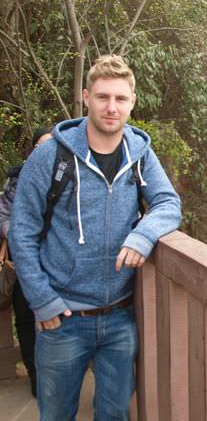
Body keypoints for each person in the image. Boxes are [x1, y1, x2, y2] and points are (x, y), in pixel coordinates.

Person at [9, 54, 181, 420]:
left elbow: (168, 202)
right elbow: (22, 229)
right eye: (103, 97)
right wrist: (42, 300)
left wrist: (143, 234)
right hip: (62, 318)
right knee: (56, 415)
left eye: (120, 99)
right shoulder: (51, 156)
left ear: (132, 102)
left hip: (120, 318)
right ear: (86, 97)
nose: (111, 107)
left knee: (115, 414)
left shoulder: (139, 152)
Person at [0, 126, 53, 396]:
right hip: (24, 261)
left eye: (50, 145)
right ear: (31, 150)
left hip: (57, 262)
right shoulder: (18, 177)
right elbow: (4, 215)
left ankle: (54, 375)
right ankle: (34, 374)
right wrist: (18, 235)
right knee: (25, 318)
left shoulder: (67, 177)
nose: (44, 150)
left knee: (58, 318)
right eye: (39, 146)